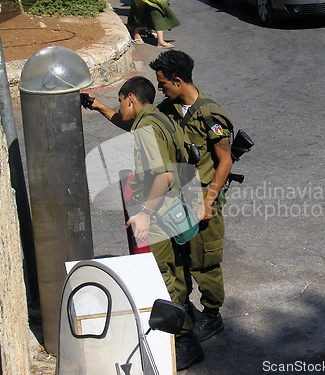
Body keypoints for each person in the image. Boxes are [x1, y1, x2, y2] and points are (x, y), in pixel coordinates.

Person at [82, 76, 204, 370]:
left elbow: (164, 177)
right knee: (177, 270)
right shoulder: (156, 118)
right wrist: (98, 105)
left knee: (163, 277)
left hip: (159, 213)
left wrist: (144, 214)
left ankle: (184, 340)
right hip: (175, 209)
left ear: (130, 99)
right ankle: (187, 317)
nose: (119, 107)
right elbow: (127, 124)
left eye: (119, 101)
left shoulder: (147, 128)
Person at [149, 50, 234, 343]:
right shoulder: (170, 109)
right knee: (181, 259)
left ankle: (212, 315)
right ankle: (186, 310)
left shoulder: (210, 115)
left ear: (177, 80)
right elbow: (137, 120)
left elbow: (225, 161)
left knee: (205, 262)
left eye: (162, 83)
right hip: (178, 200)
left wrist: (208, 203)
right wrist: (98, 106)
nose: (160, 88)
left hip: (202, 201)